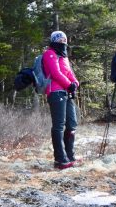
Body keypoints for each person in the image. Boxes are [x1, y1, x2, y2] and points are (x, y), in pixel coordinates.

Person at [43, 31, 79, 169]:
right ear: (54, 40)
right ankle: (60, 159)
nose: (63, 41)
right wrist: (69, 85)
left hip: (67, 91)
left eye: (64, 38)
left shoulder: (64, 57)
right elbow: (55, 73)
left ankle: (69, 155)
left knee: (72, 124)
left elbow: (70, 73)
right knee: (58, 125)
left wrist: (75, 83)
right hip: (56, 91)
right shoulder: (49, 53)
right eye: (60, 39)